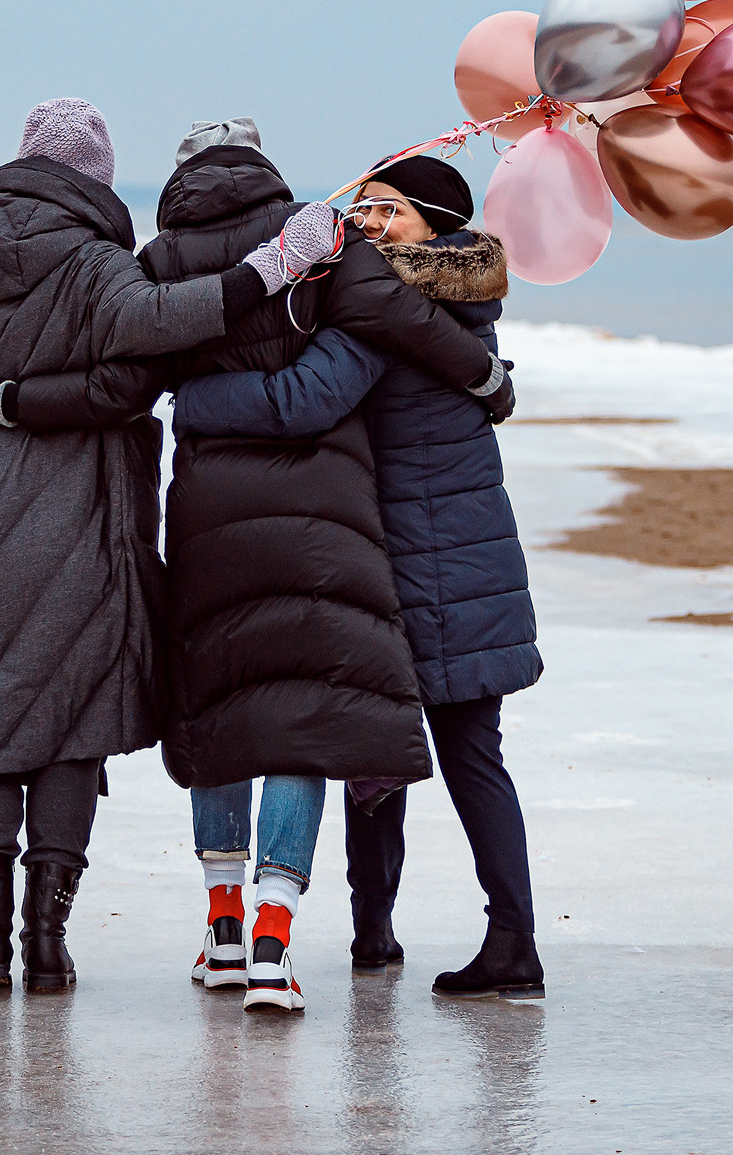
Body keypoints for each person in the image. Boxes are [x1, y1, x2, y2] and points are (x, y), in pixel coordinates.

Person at [0, 120, 514, 1015]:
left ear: (184, 176)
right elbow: (399, 318)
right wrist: (487, 380)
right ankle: (275, 940)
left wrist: (10, 402)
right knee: (302, 720)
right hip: (322, 520)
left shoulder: (158, 262)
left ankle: (224, 930)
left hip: (210, 520)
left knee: (224, 711)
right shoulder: (316, 243)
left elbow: (119, 379)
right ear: (264, 170)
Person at [0, 98, 337, 996]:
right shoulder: (95, 265)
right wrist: (278, 266)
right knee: (69, 718)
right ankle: (44, 941)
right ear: (99, 178)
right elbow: (162, 329)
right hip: (74, 507)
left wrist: (3, 402)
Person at [171, 153, 546, 1001]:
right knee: (423, 755)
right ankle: (405, 932)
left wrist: (192, 403)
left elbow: (301, 399)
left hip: (424, 563)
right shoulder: (455, 303)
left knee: (428, 754)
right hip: (461, 554)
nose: (370, 225)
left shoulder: (387, 307)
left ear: (435, 229)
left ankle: (446, 935)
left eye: (390, 213)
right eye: (366, 208)